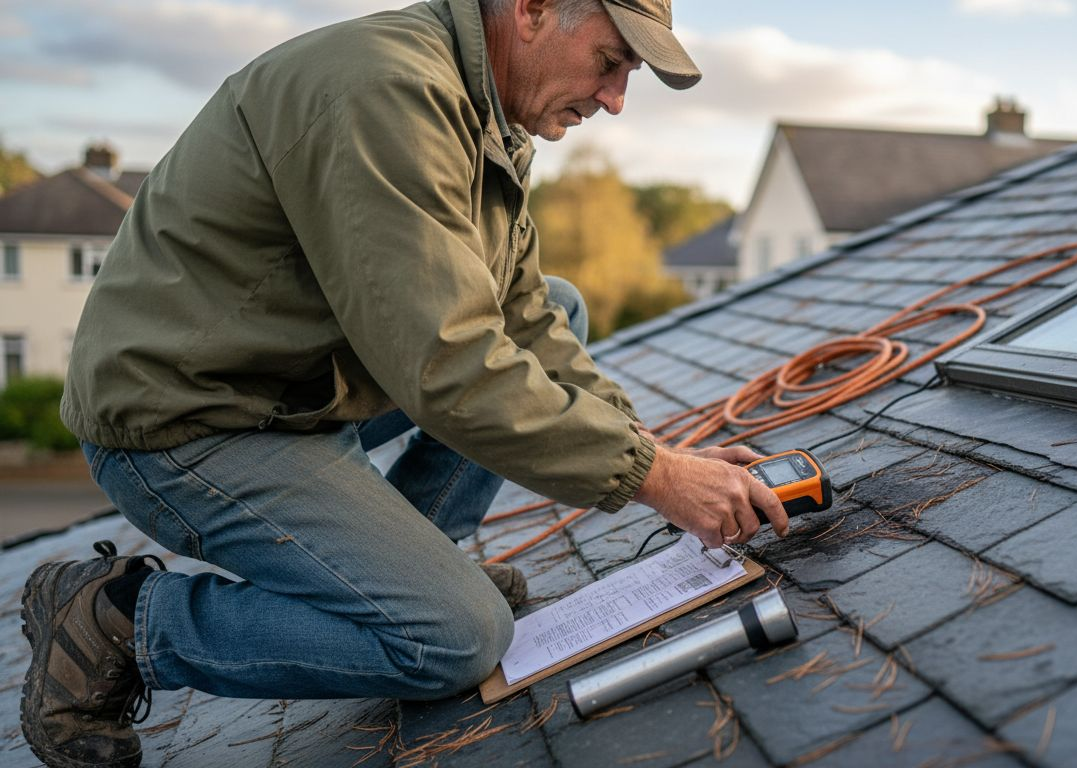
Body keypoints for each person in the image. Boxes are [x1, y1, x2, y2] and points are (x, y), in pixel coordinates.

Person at [19, 1, 790, 766]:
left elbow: (521, 318)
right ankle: (120, 620)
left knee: (562, 305)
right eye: (612, 61)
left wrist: (657, 452)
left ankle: (409, 568)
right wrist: (655, 480)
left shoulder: (487, 116)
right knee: (456, 640)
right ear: (531, 10)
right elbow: (448, 366)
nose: (616, 98)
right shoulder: (388, 91)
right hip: (189, 418)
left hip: (294, 387)